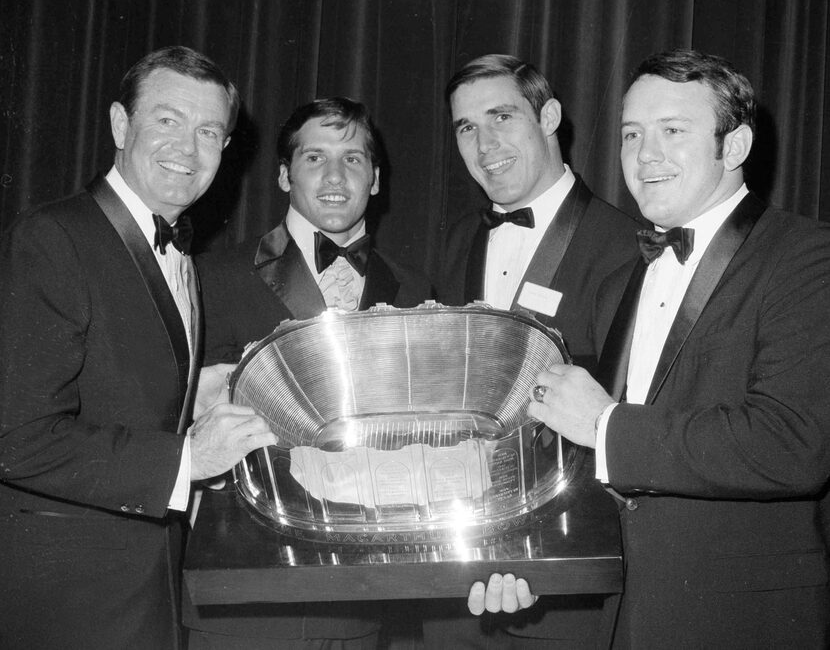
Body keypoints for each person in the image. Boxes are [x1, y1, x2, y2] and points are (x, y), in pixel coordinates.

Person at [478, 49, 830, 648]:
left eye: (673, 131)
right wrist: (530, 561)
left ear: (736, 147)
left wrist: (605, 424)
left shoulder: (806, 255)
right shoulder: (625, 277)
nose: (645, 156)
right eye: (631, 134)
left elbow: (794, 442)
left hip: (737, 621)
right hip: (615, 615)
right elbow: (597, 468)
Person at [0, 46, 277, 648]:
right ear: (121, 125)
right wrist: (190, 460)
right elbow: (14, 436)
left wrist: (197, 392)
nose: (187, 148)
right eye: (167, 120)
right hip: (68, 598)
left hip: (153, 582)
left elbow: (122, 389)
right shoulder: (54, 237)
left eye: (209, 131)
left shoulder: (184, 257)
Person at [184, 96, 432, 649]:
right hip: (246, 602)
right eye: (315, 158)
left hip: (365, 597)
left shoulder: (416, 290)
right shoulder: (213, 277)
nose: (336, 175)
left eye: (353, 158)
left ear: (375, 178)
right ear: (282, 175)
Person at [424, 54, 642, 649]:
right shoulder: (458, 241)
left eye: (501, 116)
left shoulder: (626, 245)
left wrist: (532, 559)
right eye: (466, 127)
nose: (484, 142)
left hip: (559, 586)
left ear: (548, 116)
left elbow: (623, 433)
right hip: (454, 581)